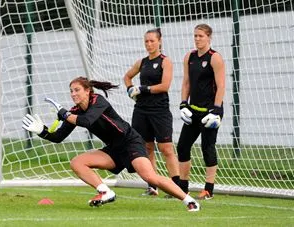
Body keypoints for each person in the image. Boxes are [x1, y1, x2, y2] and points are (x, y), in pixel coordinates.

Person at [22, 76, 200, 211]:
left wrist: (65, 114)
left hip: (130, 142)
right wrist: (42, 131)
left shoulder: (98, 100)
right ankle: (106, 192)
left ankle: (189, 200)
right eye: (71, 91)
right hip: (114, 149)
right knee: (77, 162)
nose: (73, 94)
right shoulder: (74, 112)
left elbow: (88, 121)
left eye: (77, 90)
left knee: (150, 177)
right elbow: (58, 137)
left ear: (87, 91)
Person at [124, 28, 180, 196]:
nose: (149, 44)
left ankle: (177, 187)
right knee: (146, 147)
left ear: (159, 41)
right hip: (141, 110)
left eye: (152, 41)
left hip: (159, 110)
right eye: (146, 41)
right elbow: (127, 77)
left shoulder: (165, 61)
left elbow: (164, 86)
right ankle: (152, 185)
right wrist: (130, 90)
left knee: (166, 148)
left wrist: (142, 89)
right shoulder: (142, 62)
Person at [177, 24, 226, 200]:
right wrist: (183, 104)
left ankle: (208, 189)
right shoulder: (189, 57)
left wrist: (216, 110)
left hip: (211, 111)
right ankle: (183, 188)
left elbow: (221, 86)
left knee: (208, 147)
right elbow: (186, 83)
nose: (197, 39)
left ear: (209, 37)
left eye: (201, 36)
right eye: (195, 36)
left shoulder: (215, 58)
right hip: (194, 110)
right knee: (182, 146)